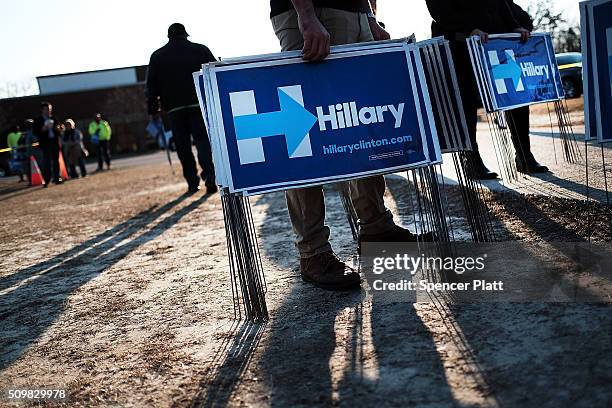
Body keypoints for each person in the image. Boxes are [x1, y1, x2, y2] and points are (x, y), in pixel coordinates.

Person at [270, 0, 428, 290]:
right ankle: (313, 252)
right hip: (315, 13)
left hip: (354, 13)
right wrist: (306, 14)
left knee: (360, 124)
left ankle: (376, 227)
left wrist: (368, 16)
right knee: (304, 132)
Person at [425, 0, 548, 178]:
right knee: (466, 105)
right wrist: (468, 28)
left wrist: (515, 26)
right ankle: (472, 162)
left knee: (515, 95)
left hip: (495, 42)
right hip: (459, 44)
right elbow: (438, 8)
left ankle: (524, 156)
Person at [145, 23, 217, 195]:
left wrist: (153, 110)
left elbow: (151, 85)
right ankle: (209, 175)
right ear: (185, 34)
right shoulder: (200, 50)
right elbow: (215, 71)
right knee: (202, 142)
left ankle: (192, 182)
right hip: (198, 104)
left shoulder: (157, 56)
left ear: (169, 36)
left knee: (182, 146)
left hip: (174, 108)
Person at [33, 102, 63, 186]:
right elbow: (35, 132)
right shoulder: (38, 120)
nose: (49, 111)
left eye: (50, 109)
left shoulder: (54, 118)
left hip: (54, 142)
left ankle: (57, 178)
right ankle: (47, 180)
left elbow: (60, 129)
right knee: (47, 162)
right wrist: (43, 129)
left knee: (56, 161)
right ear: (42, 110)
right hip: (45, 143)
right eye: (47, 109)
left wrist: (59, 129)